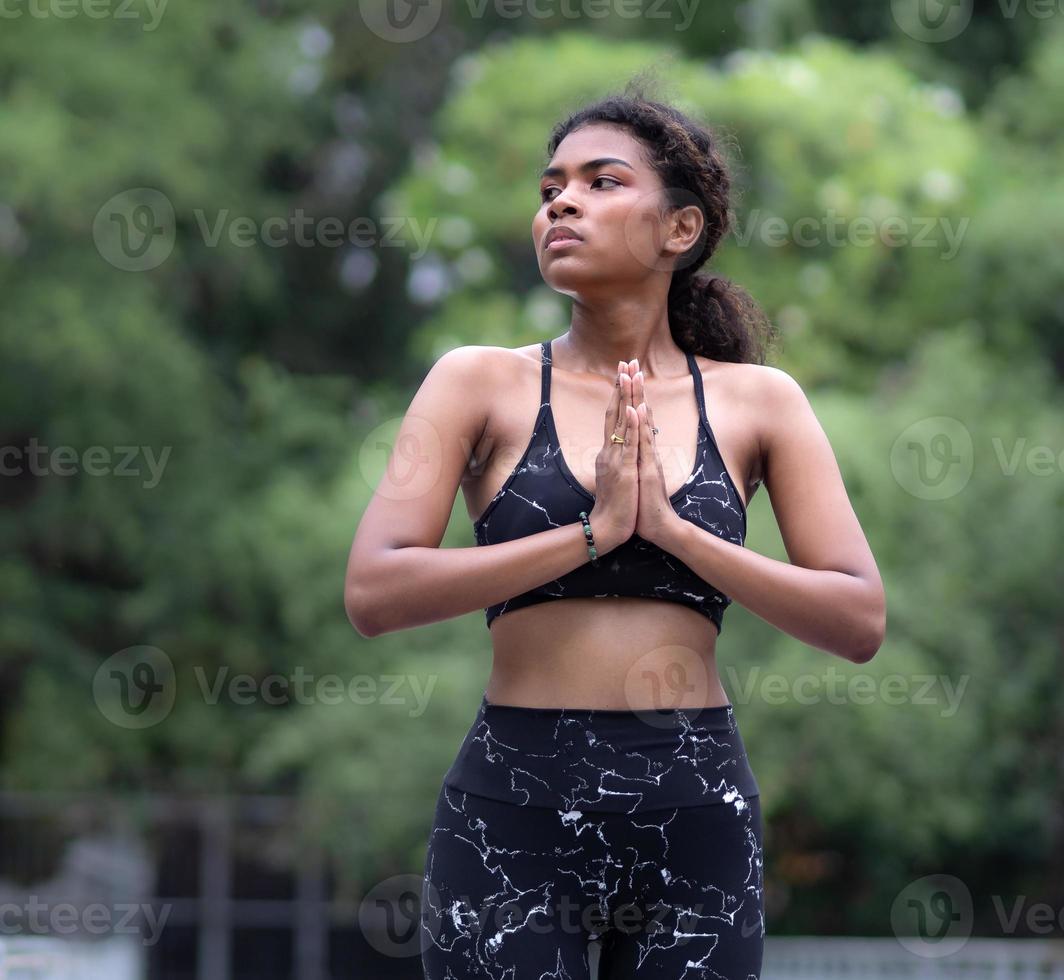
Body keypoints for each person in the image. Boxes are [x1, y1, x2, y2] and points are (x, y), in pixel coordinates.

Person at [344, 87, 886, 979]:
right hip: (510, 806)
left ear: (679, 229)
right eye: (551, 186)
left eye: (602, 182)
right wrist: (591, 533)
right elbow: (374, 591)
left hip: (694, 806)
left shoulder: (760, 402)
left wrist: (672, 531)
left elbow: (858, 618)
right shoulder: (475, 383)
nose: (562, 201)